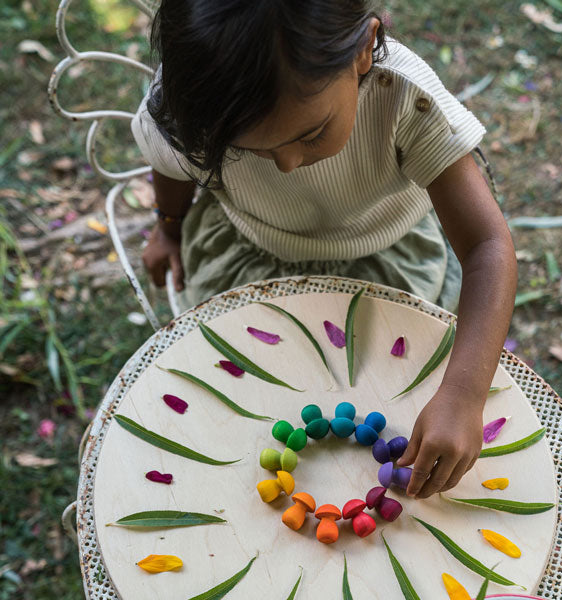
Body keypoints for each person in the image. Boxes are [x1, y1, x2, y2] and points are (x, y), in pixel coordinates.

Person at [131, 0, 517, 499]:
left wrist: (464, 395)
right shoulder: (196, 98)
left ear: (361, 52)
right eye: (253, 150)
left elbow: (487, 244)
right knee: (247, 416)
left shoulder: (404, 98)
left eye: (310, 134)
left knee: (379, 393)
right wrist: (168, 225)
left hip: (383, 265)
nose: (288, 164)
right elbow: (171, 161)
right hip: (251, 258)